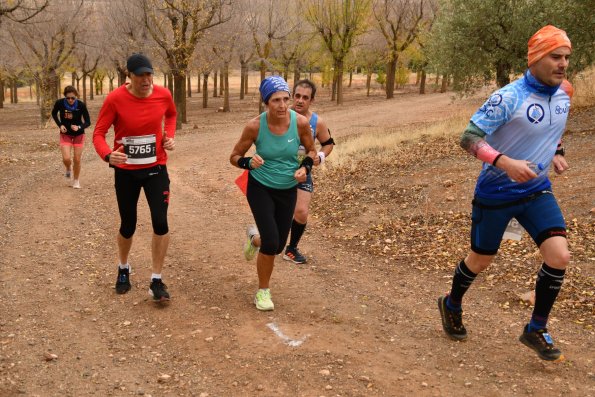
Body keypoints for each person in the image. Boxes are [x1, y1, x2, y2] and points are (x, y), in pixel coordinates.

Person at [437, 25, 573, 361]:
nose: (563, 64)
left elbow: (553, 128)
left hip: (537, 190)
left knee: (560, 255)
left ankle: (536, 328)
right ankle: (451, 303)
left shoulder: (565, 92)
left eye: (566, 57)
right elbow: (468, 138)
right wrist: (504, 162)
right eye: (555, 56)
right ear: (537, 58)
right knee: (481, 259)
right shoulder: (508, 97)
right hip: (496, 192)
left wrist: (557, 151)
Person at [93, 53, 177, 302]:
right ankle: (123, 267)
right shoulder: (115, 99)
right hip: (126, 172)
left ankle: (156, 279)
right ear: (128, 76)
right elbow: (98, 134)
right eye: (140, 74)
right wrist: (108, 155)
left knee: (160, 222)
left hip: (156, 169)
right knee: (128, 225)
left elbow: (171, 115)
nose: (146, 79)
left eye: (149, 74)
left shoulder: (163, 94)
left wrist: (168, 135)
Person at [230, 76, 316, 311]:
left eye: (285, 99)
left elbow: (311, 150)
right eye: (275, 100)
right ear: (266, 102)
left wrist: (304, 168)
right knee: (271, 243)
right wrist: (249, 162)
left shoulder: (299, 123)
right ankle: (263, 292)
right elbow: (234, 157)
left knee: (277, 246)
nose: (282, 105)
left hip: (288, 188)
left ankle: (253, 239)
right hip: (260, 187)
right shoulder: (255, 126)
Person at [282, 79, 335, 264]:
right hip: (279, 171)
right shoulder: (280, 115)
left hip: (303, 170)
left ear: (311, 100)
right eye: (297, 96)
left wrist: (320, 156)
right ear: (291, 97)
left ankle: (291, 248)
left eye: (305, 97)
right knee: (276, 213)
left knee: (302, 212)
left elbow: (329, 143)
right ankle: (262, 238)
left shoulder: (317, 122)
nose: (300, 101)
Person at [51, 86, 91, 189]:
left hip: (79, 134)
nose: (70, 100)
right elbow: (54, 114)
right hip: (65, 134)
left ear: (76, 96)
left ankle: (76, 181)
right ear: (65, 97)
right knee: (66, 158)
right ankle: (68, 168)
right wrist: (60, 125)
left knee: (77, 159)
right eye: (68, 98)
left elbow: (88, 122)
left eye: (73, 98)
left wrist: (79, 127)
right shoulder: (59, 103)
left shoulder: (81, 105)